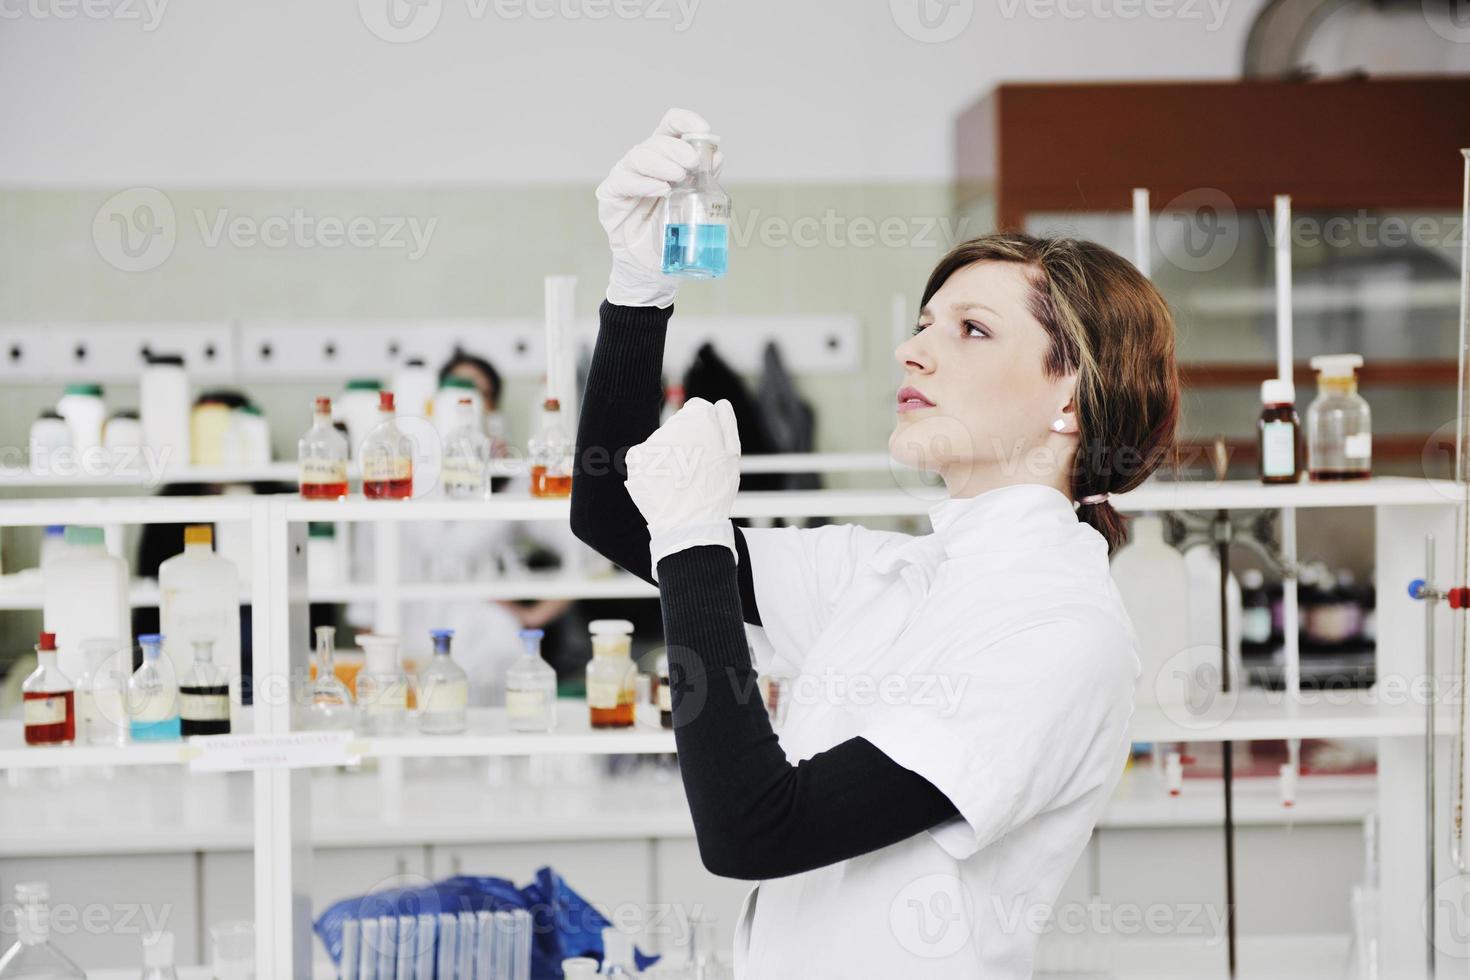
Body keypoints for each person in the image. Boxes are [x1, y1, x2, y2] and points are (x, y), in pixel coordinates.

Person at [571, 109, 1180, 978]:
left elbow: (755, 827)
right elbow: (611, 513)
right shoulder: (895, 571)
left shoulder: (1056, 632)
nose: (912, 350)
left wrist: (700, 533)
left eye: (970, 329)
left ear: (1073, 401)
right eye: (925, 323)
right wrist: (640, 286)